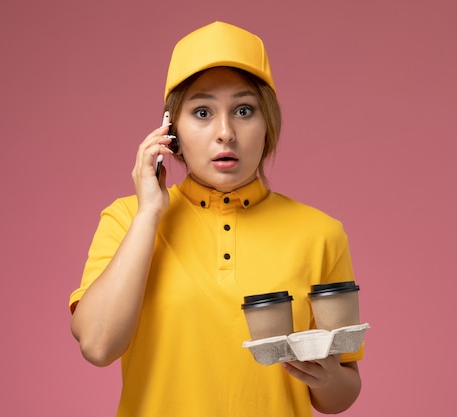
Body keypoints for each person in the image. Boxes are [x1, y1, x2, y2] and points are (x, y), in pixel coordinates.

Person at [69, 21, 363, 416]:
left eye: (244, 110)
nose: (225, 132)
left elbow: (342, 392)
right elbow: (98, 346)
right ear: (170, 132)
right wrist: (150, 213)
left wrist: (326, 377)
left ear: (268, 125)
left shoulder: (321, 233)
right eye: (202, 112)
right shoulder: (126, 219)